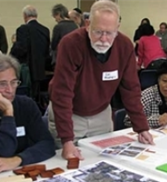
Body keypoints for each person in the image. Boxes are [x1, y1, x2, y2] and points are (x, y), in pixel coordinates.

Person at [48, 1, 154, 160]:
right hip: (70, 113)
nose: (104, 39)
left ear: (117, 28)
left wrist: (141, 127)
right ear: (87, 24)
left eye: (109, 33)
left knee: (103, 162)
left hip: (101, 114)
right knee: (70, 163)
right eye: (98, 31)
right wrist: (67, 139)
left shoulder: (124, 46)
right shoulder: (71, 44)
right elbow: (62, 93)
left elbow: (131, 89)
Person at [0, 54, 55, 173]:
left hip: (20, 170)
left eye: (14, 82)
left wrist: (18, 159)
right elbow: (2, 152)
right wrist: (8, 113)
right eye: (2, 84)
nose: (10, 90)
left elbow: (47, 144)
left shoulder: (26, 105)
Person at [10, 5, 50, 97]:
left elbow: (21, 49)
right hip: (40, 70)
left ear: (25, 16)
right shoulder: (45, 30)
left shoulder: (22, 29)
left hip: (27, 69)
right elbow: (47, 51)